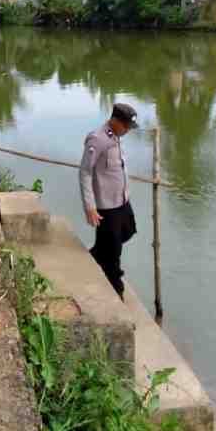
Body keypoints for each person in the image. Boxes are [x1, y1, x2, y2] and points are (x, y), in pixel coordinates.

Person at [80, 103, 140, 299]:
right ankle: (116, 289)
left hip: (122, 200)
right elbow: (85, 172)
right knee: (114, 253)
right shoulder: (97, 139)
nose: (128, 130)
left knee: (128, 230)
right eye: (126, 126)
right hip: (107, 206)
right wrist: (90, 206)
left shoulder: (116, 137)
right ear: (115, 121)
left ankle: (96, 255)